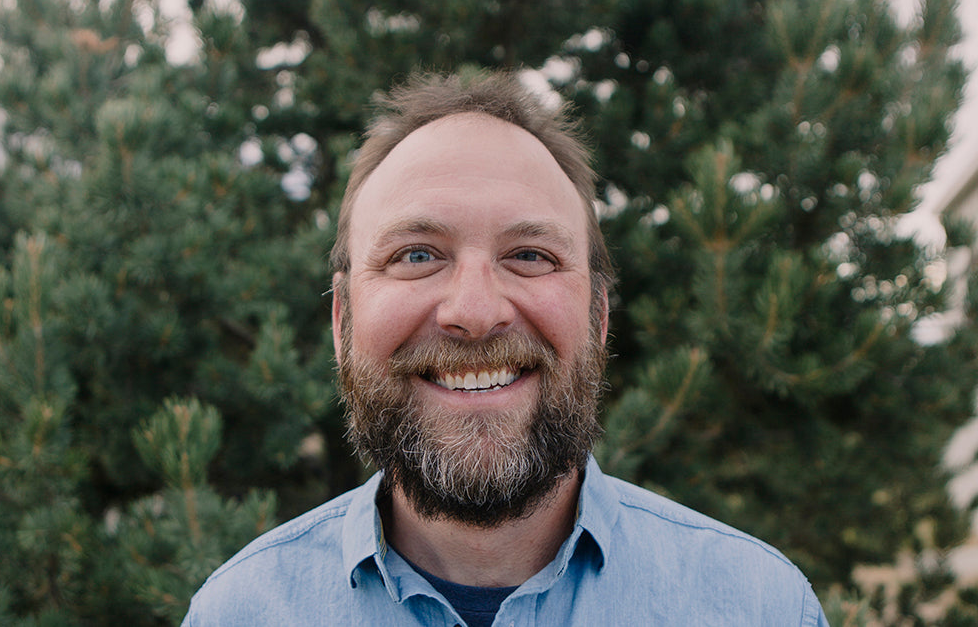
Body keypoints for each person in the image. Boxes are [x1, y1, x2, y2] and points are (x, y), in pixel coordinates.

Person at [183, 70, 829, 626]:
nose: (475, 311)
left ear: (599, 317)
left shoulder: (762, 608)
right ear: (342, 320)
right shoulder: (236, 614)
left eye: (529, 255)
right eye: (416, 255)